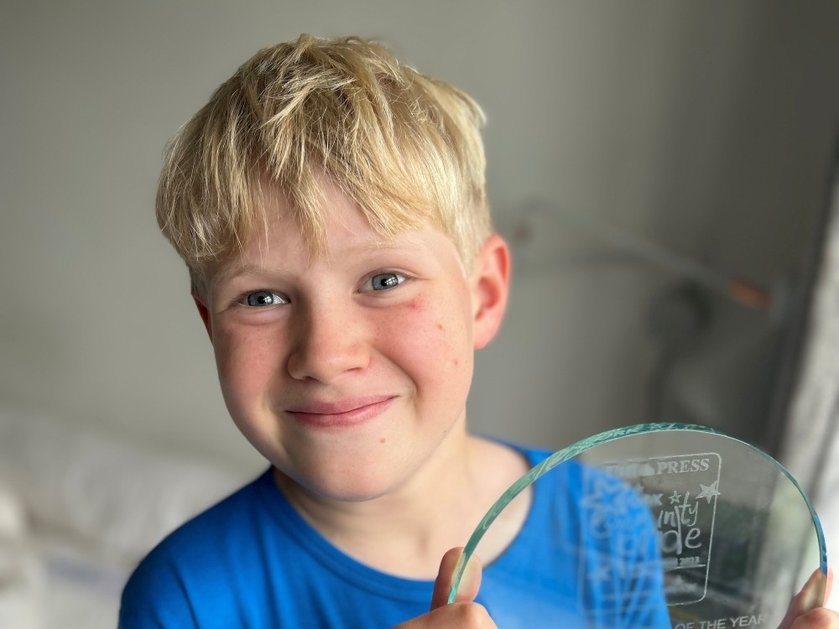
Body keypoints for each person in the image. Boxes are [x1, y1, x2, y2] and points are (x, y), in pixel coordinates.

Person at [119, 34, 836, 628]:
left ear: (484, 294)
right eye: (264, 296)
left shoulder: (604, 522)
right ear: (212, 324)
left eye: (384, 280)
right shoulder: (183, 599)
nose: (327, 355)